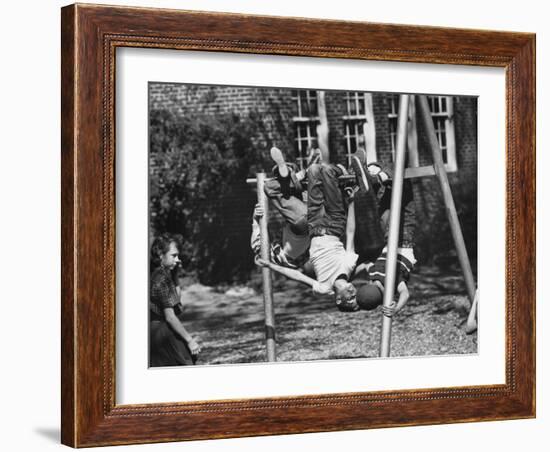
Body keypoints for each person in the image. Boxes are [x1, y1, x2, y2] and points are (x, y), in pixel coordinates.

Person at [149, 233, 201, 367]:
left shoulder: (164, 275)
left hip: (164, 330)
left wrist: (175, 274)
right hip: (161, 333)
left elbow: (177, 300)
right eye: (174, 256)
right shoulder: (160, 279)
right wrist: (189, 340)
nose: (178, 259)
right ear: (161, 255)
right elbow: (170, 317)